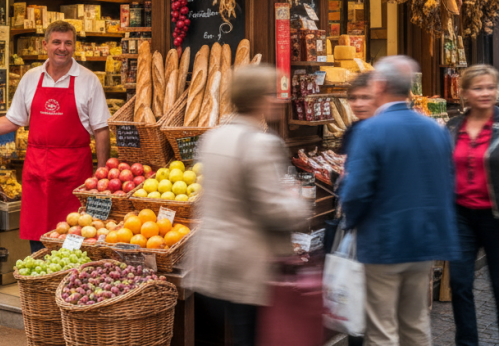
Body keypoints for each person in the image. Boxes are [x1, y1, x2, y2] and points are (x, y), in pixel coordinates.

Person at [0, 21, 110, 252]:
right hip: (37, 170)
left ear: (74, 46)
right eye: (57, 42)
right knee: (38, 236)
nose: (62, 48)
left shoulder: (88, 80)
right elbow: (13, 120)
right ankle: (38, 270)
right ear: (45, 45)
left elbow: (101, 130)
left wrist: (101, 175)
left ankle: (67, 273)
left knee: (73, 235)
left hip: (73, 173)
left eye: (68, 43)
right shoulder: (31, 78)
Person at [339, 56, 459, 346]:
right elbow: (447, 183)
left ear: (380, 85)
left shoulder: (371, 129)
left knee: (382, 330)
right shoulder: (434, 128)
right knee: (415, 324)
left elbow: (356, 191)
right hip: (423, 241)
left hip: (384, 241)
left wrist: (349, 222)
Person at [186, 66, 310, 346]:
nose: (278, 99)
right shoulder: (261, 143)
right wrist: (299, 204)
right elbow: (273, 209)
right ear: (257, 98)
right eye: (272, 93)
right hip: (245, 266)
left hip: (210, 262)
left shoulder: (212, 137)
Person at [446, 65, 499, 346]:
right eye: (478, 88)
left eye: (491, 87)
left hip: (495, 216)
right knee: (460, 283)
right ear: (464, 93)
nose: (486, 93)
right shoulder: (453, 126)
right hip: (461, 215)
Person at [340, 72, 377, 155]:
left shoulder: (393, 131)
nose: (358, 104)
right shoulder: (353, 130)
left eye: (366, 97)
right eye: (353, 98)